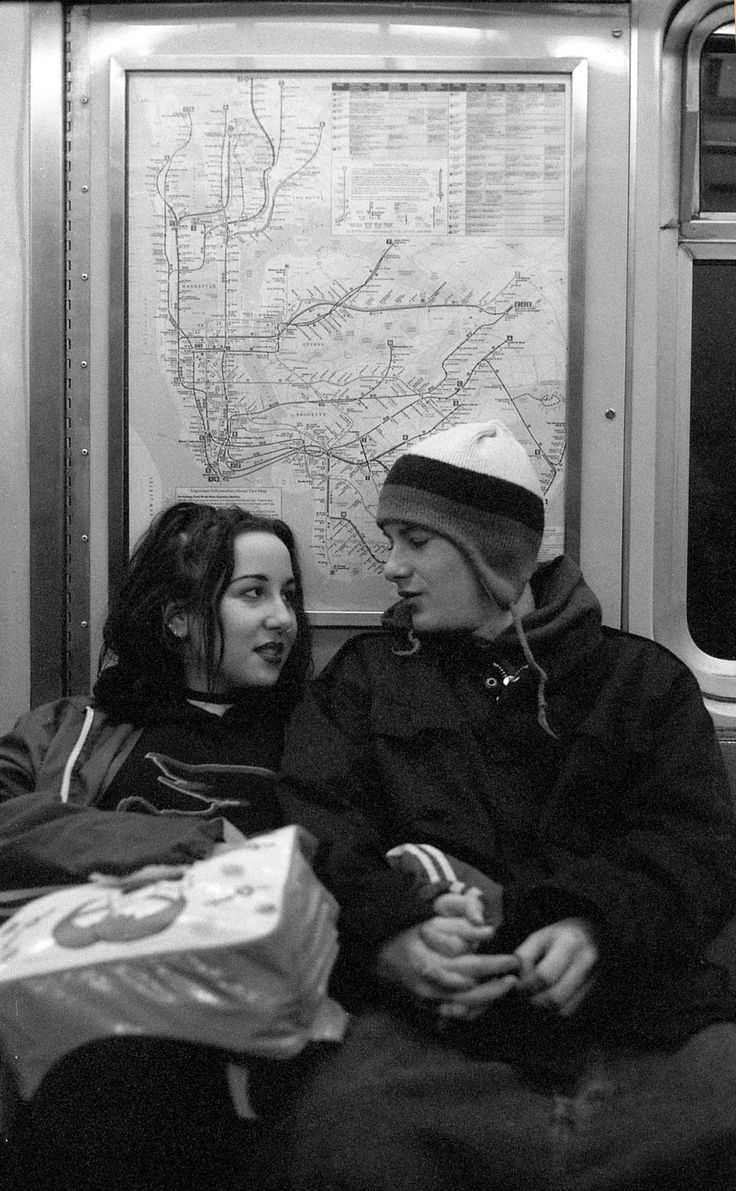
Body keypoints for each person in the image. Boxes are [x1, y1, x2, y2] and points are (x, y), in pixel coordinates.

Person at [273, 419, 736, 1191]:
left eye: (417, 540)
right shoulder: (366, 680)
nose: (391, 567)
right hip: (434, 1037)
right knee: (340, 1134)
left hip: (639, 1023)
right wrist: (388, 936)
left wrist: (596, 924)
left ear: (492, 552)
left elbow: (691, 845)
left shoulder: (643, 683)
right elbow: (315, 827)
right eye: (392, 539)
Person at [0, 500, 318, 1190]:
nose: (282, 619)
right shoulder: (73, 733)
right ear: (178, 618)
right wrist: (190, 842)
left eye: (288, 596)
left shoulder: (317, 738)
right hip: (99, 1013)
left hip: (257, 1021)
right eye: (252, 594)